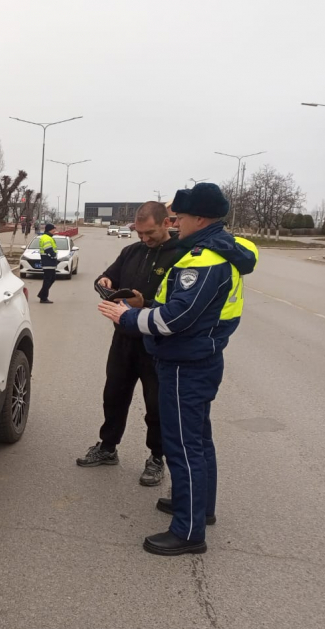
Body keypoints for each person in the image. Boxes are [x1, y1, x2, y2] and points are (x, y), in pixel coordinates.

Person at [98, 183, 258, 556]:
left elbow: (177, 318)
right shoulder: (225, 249)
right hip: (202, 356)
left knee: (183, 446)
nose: (175, 223)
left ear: (199, 218)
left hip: (186, 362)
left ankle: (188, 531)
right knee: (199, 440)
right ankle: (203, 508)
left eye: (180, 217)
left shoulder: (203, 259)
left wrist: (129, 316)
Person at [76, 202, 181, 487]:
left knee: (156, 405)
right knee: (114, 395)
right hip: (123, 339)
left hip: (157, 344)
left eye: (150, 233)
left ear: (166, 224)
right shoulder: (131, 251)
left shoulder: (181, 255)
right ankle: (108, 447)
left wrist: (142, 304)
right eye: (140, 233)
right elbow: (102, 279)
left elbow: (179, 306)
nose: (144, 239)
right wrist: (105, 283)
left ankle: (157, 458)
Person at [37, 223, 58, 304]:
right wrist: (53, 256)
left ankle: (42, 294)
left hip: (49, 262)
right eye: (53, 229)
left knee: (51, 279)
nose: (54, 230)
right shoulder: (46, 238)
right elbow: (48, 249)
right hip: (48, 262)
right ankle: (43, 297)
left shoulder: (48, 237)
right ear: (49, 229)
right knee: (48, 280)